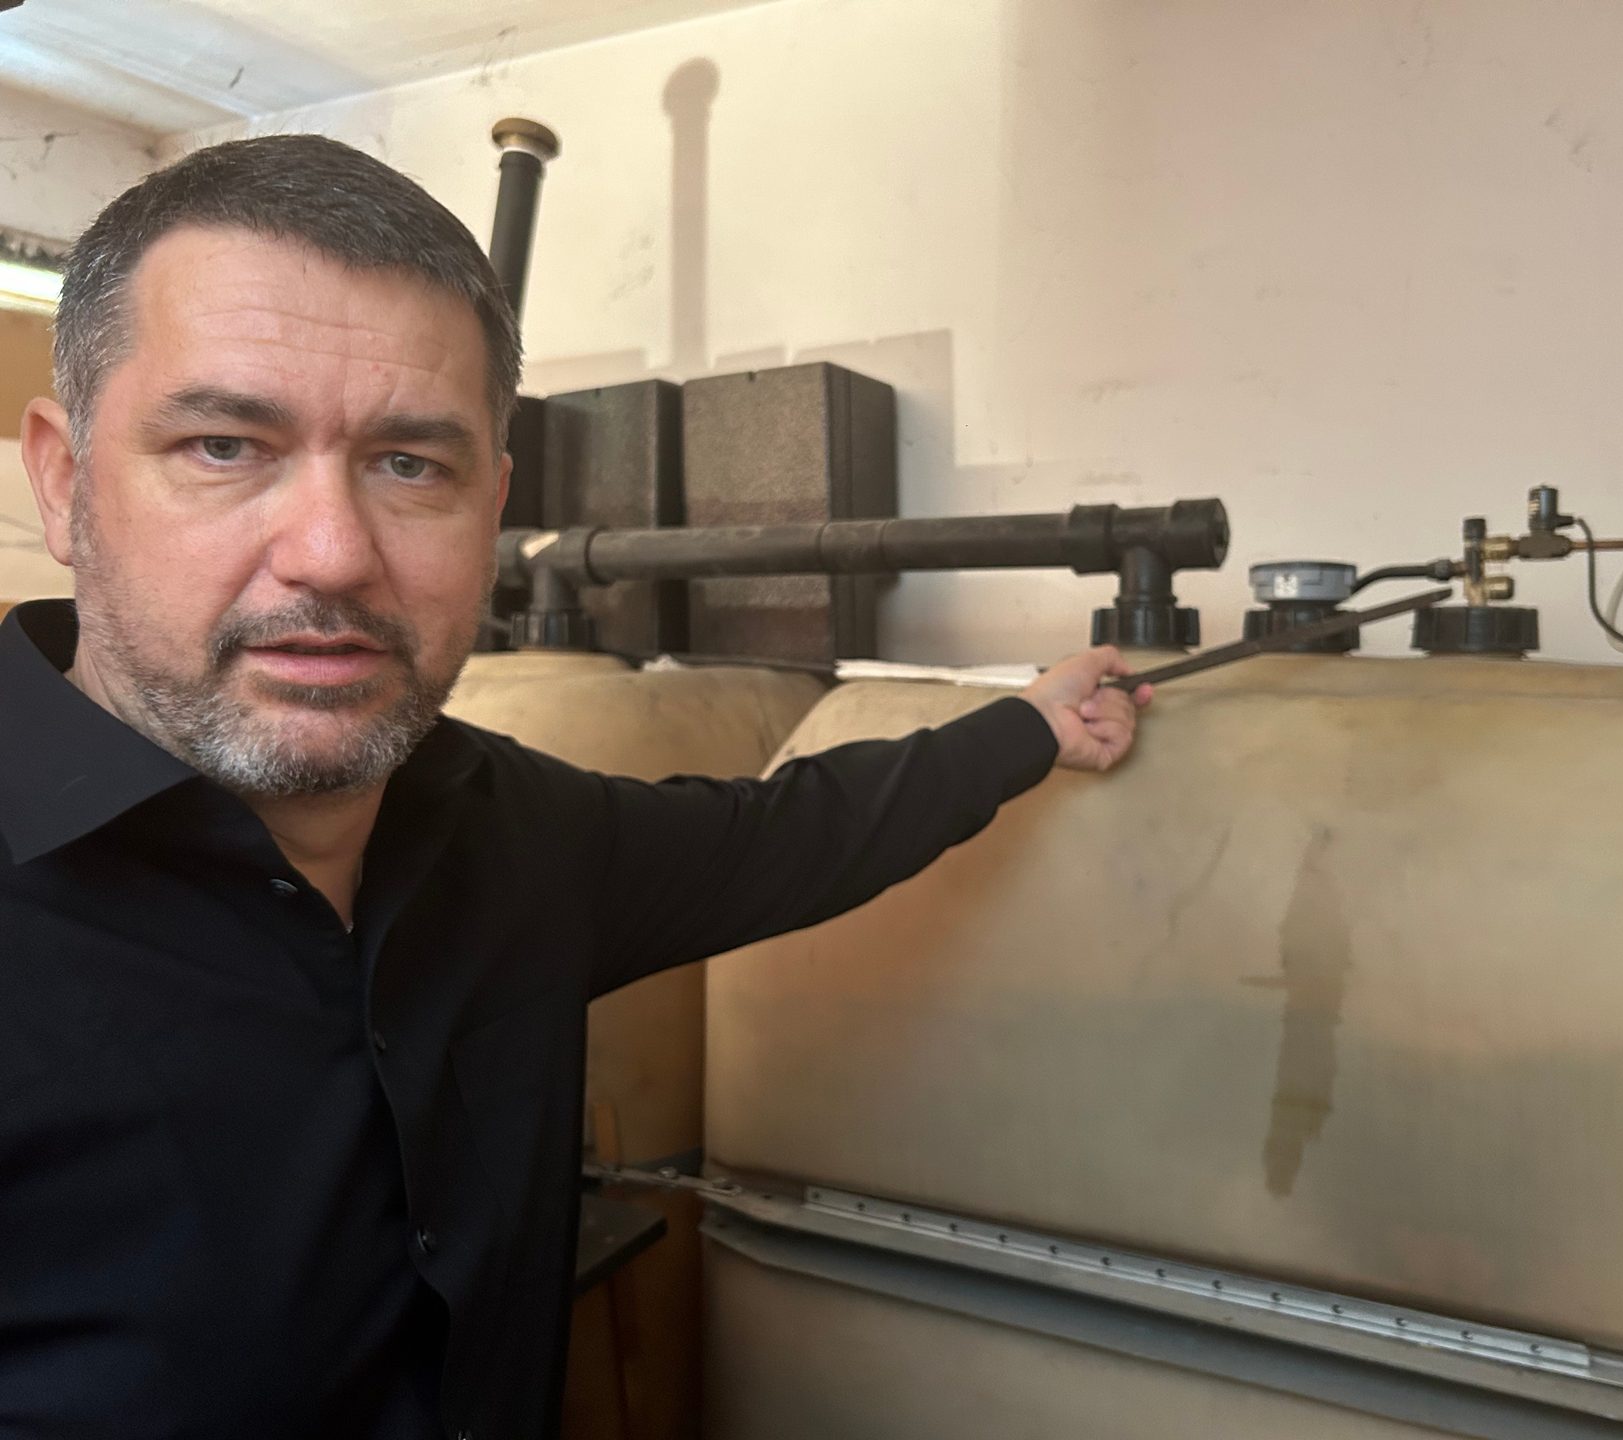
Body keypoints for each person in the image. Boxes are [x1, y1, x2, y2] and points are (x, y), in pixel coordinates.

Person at [0, 135, 1149, 1438]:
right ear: (65, 475)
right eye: (223, 445)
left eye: (409, 466)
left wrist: (1027, 725)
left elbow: (795, 833)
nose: (329, 554)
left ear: (492, 506)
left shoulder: (507, 834)